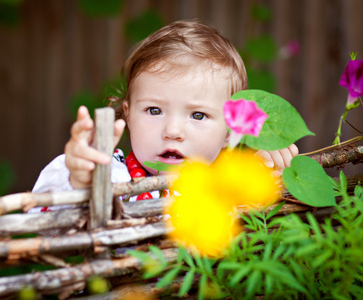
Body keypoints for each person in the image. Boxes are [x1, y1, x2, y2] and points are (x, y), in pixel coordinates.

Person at [29, 20, 298, 211]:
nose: (173, 130)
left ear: (229, 132)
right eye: (154, 110)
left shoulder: (228, 188)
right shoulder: (113, 177)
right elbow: (52, 224)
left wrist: (273, 174)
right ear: (128, 116)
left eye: (198, 115)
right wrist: (81, 181)